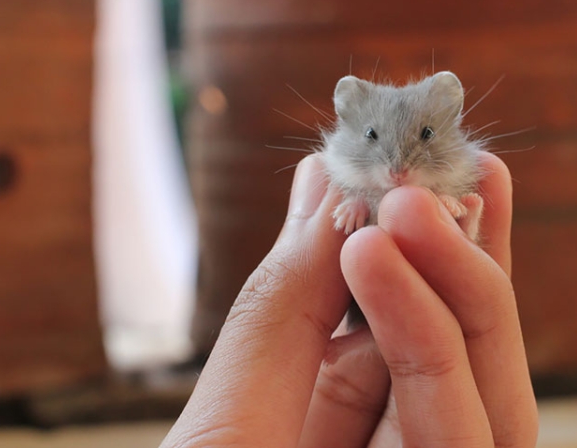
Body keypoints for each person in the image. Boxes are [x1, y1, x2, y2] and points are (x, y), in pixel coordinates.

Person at [161, 152, 538, 447]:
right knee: (381, 304)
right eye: (375, 136)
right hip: (366, 306)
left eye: (422, 136)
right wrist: (357, 204)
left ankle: (463, 224)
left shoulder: (447, 176)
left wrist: (456, 210)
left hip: (424, 292)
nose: (398, 167)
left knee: (445, 285)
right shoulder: (349, 175)